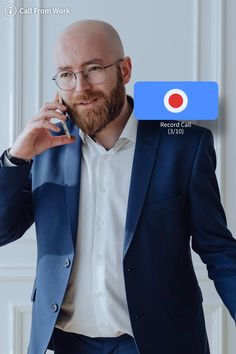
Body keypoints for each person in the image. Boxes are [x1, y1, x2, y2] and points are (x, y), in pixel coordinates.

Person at [0, 19, 235, 354]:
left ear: (124, 70)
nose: (80, 87)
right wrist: (15, 158)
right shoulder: (43, 150)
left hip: (158, 344)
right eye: (67, 74)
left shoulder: (184, 145)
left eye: (94, 69)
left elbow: (217, 248)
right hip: (67, 344)